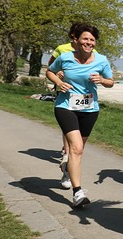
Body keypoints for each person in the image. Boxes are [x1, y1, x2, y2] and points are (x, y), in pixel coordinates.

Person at [45, 22, 114, 208]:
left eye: (92, 40)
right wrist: (59, 82)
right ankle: (78, 193)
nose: (89, 42)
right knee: (76, 148)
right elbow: (49, 71)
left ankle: (67, 168)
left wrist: (102, 80)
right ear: (77, 40)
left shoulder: (101, 60)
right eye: (85, 38)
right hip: (65, 106)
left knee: (79, 149)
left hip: (90, 109)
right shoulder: (66, 57)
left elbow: (111, 82)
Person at [48, 25, 78, 188]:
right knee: (69, 132)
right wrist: (58, 77)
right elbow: (51, 67)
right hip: (66, 96)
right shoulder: (62, 49)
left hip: (85, 100)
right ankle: (66, 167)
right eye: (74, 36)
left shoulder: (91, 50)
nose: (76, 40)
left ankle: (68, 160)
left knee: (78, 143)